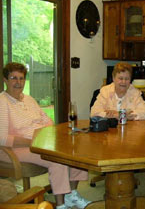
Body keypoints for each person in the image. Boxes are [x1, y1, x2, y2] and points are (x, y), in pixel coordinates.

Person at [0, 62, 91, 209]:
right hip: (15, 148)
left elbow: (47, 120)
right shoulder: (2, 102)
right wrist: (32, 141)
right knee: (56, 158)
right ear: (5, 80)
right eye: (13, 78)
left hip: (39, 141)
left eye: (21, 78)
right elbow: (2, 138)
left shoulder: (28, 99)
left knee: (76, 149)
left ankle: (71, 194)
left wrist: (46, 136)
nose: (18, 82)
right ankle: (61, 205)